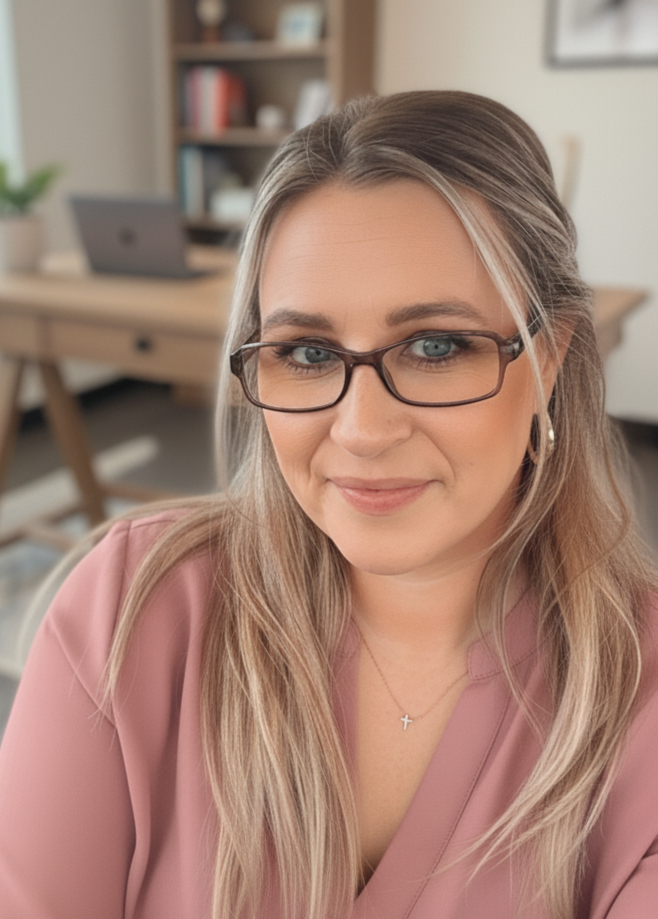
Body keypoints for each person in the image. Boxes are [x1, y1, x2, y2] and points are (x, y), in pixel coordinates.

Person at [0, 91, 656, 919]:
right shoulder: (128, 610)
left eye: (435, 346)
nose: (362, 429)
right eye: (306, 352)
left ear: (549, 357)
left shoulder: (641, 705)